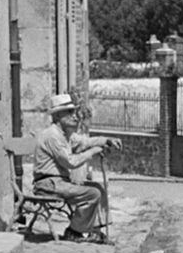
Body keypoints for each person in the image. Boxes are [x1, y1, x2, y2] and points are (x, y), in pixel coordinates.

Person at [33, 93, 122, 243]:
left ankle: (95, 230)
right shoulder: (52, 136)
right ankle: (73, 231)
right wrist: (92, 152)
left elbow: (85, 142)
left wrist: (107, 140)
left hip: (60, 182)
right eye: (69, 112)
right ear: (58, 116)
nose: (75, 116)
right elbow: (70, 162)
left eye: (73, 112)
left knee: (97, 188)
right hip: (48, 184)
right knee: (92, 193)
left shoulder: (66, 135)